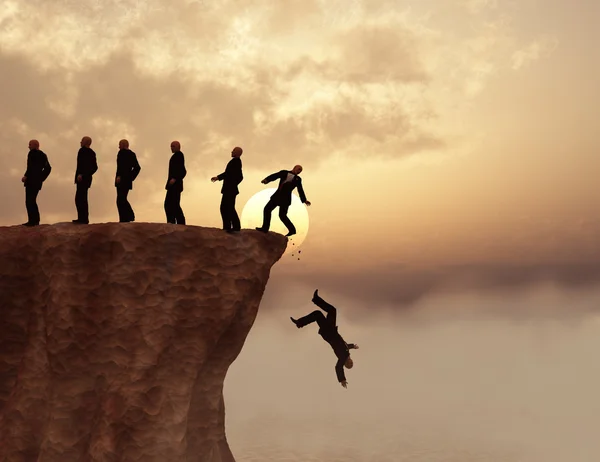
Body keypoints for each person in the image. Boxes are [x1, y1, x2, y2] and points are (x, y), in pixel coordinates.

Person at [291, 289, 359, 388]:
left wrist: (342, 379)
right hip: (331, 331)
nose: (350, 361)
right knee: (331, 311)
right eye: (351, 362)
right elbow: (346, 345)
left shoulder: (342, 357)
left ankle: (299, 322)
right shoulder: (346, 352)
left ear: (346, 363)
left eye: (349, 363)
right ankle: (315, 300)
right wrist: (353, 346)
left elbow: (338, 367)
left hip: (329, 333)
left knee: (318, 314)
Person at [255, 165, 311, 236]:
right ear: (294, 168)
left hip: (286, 199)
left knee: (282, 215)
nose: (299, 171)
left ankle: (292, 230)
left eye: (301, 171)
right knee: (267, 209)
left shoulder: (298, 179)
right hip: (277, 196)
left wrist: (304, 200)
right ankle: (265, 228)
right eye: (298, 169)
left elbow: (300, 189)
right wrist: (267, 180)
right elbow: (275, 176)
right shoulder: (284, 172)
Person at [211, 146, 243, 233]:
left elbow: (238, 176)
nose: (231, 152)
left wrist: (232, 183)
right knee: (226, 207)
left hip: (230, 189)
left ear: (237, 153)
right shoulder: (235, 162)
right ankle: (229, 226)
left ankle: (233, 226)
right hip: (229, 189)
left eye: (233, 151)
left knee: (227, 207)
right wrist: (218, 177)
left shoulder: (236, 162)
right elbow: (229, 174)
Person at [21, 139, 52, 226]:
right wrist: (41, 178)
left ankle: (32, 221)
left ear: (35, 145)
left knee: (29, 200)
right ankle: (35, 220)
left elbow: (30, 167)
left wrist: (26, 176)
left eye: (30, 144)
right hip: (37, 181)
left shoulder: (32, 153)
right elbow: (48, 168)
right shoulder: (43, 155)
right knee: (32, 200)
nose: (29, 146)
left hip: (31, 180)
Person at [72, 136, 98, 224]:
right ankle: (82, 218)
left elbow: (91, 167)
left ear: (86, 142)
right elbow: (94, 167)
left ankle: (83, 219)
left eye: (82, 140)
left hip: (83, 178)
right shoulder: (91, 152)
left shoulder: (84, 151)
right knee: (81, 198)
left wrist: (82, 175)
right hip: (84, 178)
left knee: (80, 198)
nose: (80, 142)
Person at [115, 139, 141, 223]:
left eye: (120, 144)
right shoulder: (131, 154)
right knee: (121, 198)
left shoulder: (123, 153)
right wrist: (130, 177)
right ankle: (126, 217)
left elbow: (136, 167)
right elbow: (137, 168)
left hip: (123, 180)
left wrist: (125, 177)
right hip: (124, 180)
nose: (119, 146)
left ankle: (127, 217)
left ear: (123, 144)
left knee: (121, 199)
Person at [164, 141, 187, 224]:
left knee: (173, 204)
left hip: (175, 185)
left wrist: (175, 178)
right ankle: (172, 221)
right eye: (171, 146)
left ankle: (178, 222)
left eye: (173, 146)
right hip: (172, 185)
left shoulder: (179, 155)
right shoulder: (175, 156)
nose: (171, 148)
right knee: (170, 204)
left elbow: (183, 171)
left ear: (178, 147)